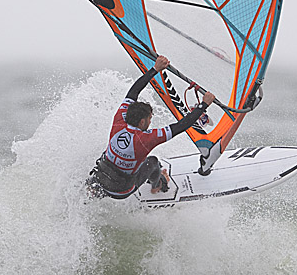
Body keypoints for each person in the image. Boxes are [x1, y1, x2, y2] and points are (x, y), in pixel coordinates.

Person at [89, 55, 216, 199]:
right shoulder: (146, 139)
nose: (151, 121)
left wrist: (155, 69)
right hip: (121, 191)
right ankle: (158, 185)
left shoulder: (119, 120)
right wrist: (203, 105)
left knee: (107, 166)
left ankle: (90, 191)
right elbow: (182, 126)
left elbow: (133, 92)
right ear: (142, 122)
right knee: (153, 162)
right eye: (150, 118)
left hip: (100, 178)